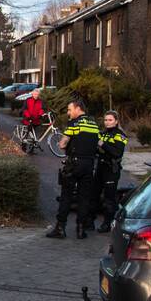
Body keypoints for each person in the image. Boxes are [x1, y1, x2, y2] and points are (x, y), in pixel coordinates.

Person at [46, 99, 99, 240]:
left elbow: (63, 144)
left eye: (70, 110)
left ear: (78, 108)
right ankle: (81, 229)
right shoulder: (94, 124)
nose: (68, 113)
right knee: (84, 197)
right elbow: (98, 143)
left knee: (66, 196)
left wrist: (62, 144)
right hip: (89, 165)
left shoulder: (74, 124)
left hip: (74, 164)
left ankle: (60, 228)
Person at [94, 110, 129, 233]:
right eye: (105, 120)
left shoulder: (120, 135)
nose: (107, 122)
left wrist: (102, 144)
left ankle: (107, 224)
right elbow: (98, 150)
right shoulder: (102, 133)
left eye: (110, 120)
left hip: (111, 170)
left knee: (109, 198)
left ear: (116, 121)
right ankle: (89, 221)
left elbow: (117, 152)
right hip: (100, 168)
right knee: (94, 195)